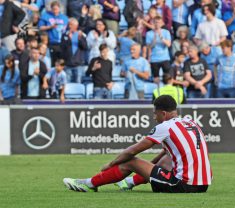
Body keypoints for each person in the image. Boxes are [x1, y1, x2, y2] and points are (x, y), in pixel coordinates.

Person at [63, 95, 212, 193]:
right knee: (166, 160)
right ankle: (129, 182)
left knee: (131, 162)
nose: (154, 117)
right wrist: (147, 169)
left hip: (183, 185)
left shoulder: (165, 126)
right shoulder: (190, 122)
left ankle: (89, 184)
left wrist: (110, 164)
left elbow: (131, 152)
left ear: (164, 114)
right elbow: (167, 155)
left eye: (155, 113)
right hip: (203, 184)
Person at [38, 1, 69, 66]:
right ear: (51, 9)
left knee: (61, 61)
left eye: (56, 9)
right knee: (52, 62)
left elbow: (67, 29)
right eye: (53, 9)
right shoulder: (46, 16)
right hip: (51, 42)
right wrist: (50, 27)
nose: (55, 11)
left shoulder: (64, 18)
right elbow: (40, 27)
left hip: (62, 43)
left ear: (59, 8)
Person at [61, 18, 88, 83]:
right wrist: (69, 39)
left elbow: (85, 47)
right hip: (68, 64)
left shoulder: (81, 35)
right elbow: (63, 47)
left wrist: (80, 39)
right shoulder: (65, 35)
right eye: (69, 24)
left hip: (78, 64)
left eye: (71, 25)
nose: (70, 26)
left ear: (76, 26)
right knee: (67, 84)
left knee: (78, 82)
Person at [146, 15, 172, 83]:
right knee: (156, 78)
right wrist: (154, 40)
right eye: (155, 22)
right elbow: (149, 47)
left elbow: (168, 44)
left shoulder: (166, 32)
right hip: (154, 59)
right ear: (153, 23)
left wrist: (162, 38)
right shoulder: (149, 34)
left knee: (167, 77)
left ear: (161, 23)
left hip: (165, 58)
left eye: (158, 22)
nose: (157, 24)